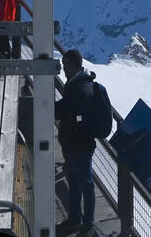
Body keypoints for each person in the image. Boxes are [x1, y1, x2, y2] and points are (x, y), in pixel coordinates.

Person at [55, 51, 110, 234]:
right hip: (74, 143)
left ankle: (88, 224)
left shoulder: (80, 87)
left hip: (79, 145)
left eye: (64, 64)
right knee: (75, 181)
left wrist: (58, 109)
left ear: (71, 64)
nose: (63, 68)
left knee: (85, 184)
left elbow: (74, 107)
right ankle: (75, 218)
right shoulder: (79, 84)